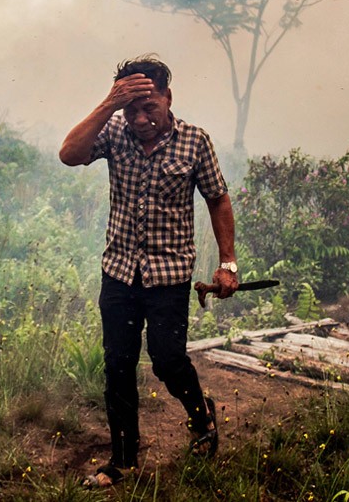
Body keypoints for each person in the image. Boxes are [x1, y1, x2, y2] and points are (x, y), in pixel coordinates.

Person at [59, 55, 239, 487]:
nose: (139, 119)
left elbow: (218, 199)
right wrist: (107, 106)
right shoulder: (115, 130)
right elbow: (70, 154)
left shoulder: (195, 141)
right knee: (118, 364)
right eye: (131, 109)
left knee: (167, 359)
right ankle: (122, 461)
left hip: (169, 276)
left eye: (149, 108)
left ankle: (202, 417)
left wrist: (228, 264)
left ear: (168, 98)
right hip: (119, 272)